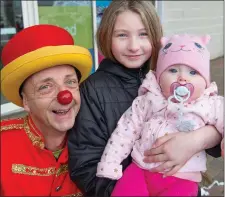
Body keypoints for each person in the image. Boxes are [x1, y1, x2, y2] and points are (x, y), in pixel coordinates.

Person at [68, 1, 222, 197]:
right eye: (122, 35)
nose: (134, 46)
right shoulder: (93, 90)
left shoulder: (173, 75)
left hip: (180, 184)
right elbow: (85, 167)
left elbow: (209, 115)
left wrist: (200, 139)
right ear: (107, 37)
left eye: (143, 34)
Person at [96, 34, 224, 196]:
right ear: (159, 76)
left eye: (193, 72)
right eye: (172, 70)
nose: (182, 78)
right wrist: (110, 163)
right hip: (140, 169)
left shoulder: (209, 103)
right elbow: (125, 131)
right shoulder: (148, 99)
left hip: (182, 178)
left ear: (205, 80)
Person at [0, 24, 92, 196]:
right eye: (45, 87)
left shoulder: (99, 139)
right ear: (25, 101)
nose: (65, 96)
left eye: (70, 82)